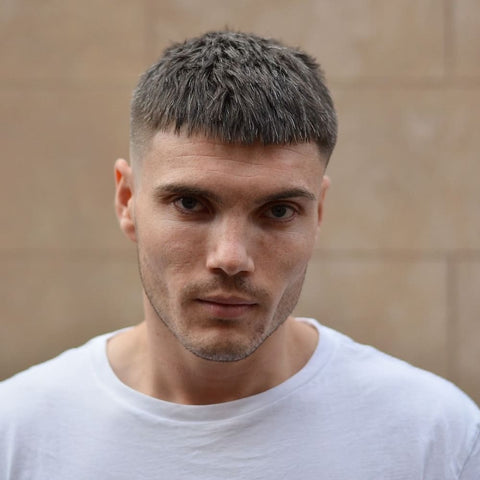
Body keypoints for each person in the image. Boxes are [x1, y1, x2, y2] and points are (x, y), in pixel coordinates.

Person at [1, 30, 479, 479]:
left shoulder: (433, 436)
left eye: (277, 211)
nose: (230, 257)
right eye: (190, 204)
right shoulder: (19, 434)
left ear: (318, 213)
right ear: (128, 201)